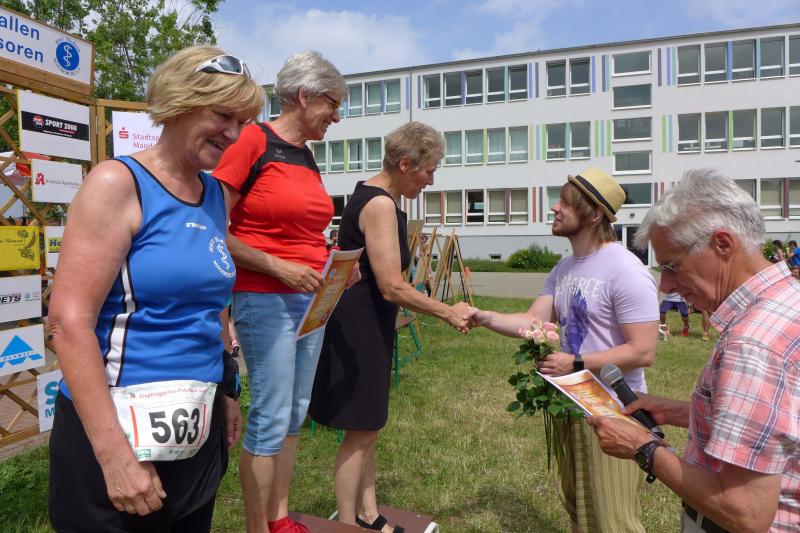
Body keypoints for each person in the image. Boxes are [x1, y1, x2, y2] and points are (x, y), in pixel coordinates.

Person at [47, 46, 263, 532]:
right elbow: (68, 322)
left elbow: (211, 305)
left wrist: (227, 391)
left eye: (242, 121)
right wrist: (114, 456)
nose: (233, 134)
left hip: (195, 423)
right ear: (181, 104)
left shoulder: (213, 194)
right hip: (117, 429)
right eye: (223, 115)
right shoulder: (117, 183)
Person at [588, 169, 800, 532]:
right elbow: (778, 424)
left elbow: (745, 512)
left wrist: (643, 447)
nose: (665, 285)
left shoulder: (752, 344)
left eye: (672, 266)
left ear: (723, 245)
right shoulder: (786, 302)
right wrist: (680, 412)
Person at [470, 168, 659, 533]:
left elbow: (642, 352)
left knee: (613, 519)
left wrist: (575, 362)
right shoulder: (564, 268)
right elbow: (533, 321)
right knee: (578, 507)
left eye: (566, 203)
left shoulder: (627, 271)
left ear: (594, 214)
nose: (555, 208)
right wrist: (484, 317)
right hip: (570, 403)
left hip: (613, 410)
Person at [309, 122, 474, 533]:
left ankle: (369, 514)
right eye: (429, 170)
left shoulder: (377, 197)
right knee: (360, 431)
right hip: (359, 327)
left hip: (367, 324)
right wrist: (447, 312)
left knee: (368, 427)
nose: (431, 180)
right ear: (405, 163)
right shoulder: (380, 205)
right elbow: (391, 285)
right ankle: (348, 523)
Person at [213, 50, 350, 533]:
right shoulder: (252, 140)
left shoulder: (306, 156)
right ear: (304, 96)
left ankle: (279, 518)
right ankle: (258, 527)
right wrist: (278, 267)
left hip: (311, 300)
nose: (337, 116)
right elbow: (214, 228)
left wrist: (333, 266)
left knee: (293, 413)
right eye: (333, 104)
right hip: (265, 297)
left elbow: (303, 232)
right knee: (271, 415)